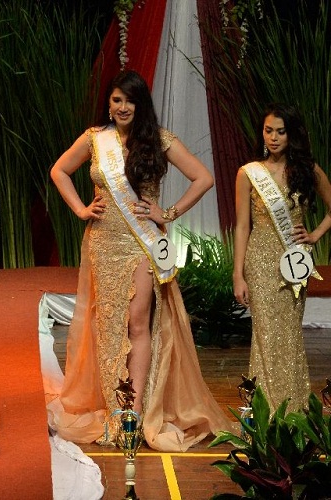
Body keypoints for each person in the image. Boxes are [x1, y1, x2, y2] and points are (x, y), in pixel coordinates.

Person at [48, 70, 229, 451]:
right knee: (108, 325)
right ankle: (113, 408)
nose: (122, 107)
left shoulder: (159, 141)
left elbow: (203, 178)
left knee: (137, 324)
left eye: (129, 100)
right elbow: (59, 171)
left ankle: (135, 411)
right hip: (103, 243)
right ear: (109, 104)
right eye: (116, 100)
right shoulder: (95, 139)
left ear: (140, 104)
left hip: (141, 244)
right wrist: (81, 209)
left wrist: (170, 213)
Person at [233, 103, 331, 413]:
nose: (273, 137)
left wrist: (314, 235)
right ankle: (267, 412)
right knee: (264, 333)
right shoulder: (248, 173)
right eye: (268, 131)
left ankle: (292, 409)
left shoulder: (307, 169)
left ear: (292, 134)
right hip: (259, 262)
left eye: (281, 131)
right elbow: (242, 226)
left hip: (294, 264)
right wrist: (238, 274)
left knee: (288, 335)